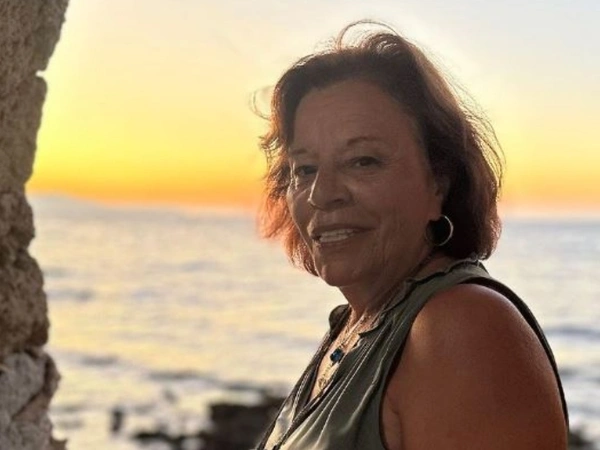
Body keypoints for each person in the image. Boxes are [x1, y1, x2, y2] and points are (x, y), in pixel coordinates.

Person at [254, 21, 568, 450]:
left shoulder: (461, 328)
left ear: (438, 183)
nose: (322, 194)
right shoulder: (353, 327)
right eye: (304, 169)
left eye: (362, 161)